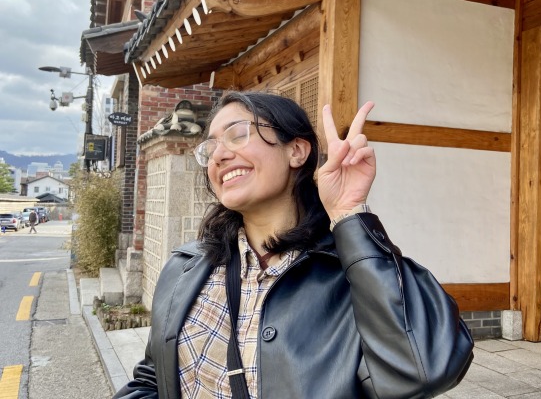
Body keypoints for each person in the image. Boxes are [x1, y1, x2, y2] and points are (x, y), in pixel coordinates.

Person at [114, 91, 473, 399]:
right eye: (209, 148)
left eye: (238, 134)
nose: (218, 155)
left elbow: (425, 366)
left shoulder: (352, 274)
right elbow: (152, 380)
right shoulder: (184, 269)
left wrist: (349, 214)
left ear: (297, 151)